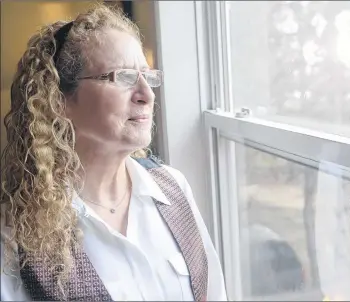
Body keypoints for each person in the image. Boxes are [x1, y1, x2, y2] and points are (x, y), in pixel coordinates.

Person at [0, 4, 227, 301]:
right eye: (123, 77)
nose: (147, 95)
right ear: (59, 101)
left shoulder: (174, 189)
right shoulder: (17, 235)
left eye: (148, 76)